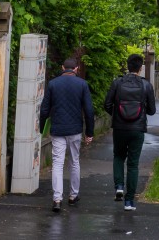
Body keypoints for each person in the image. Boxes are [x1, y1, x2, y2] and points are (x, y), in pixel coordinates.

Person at [39, 57, 94, 213]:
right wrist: (89, 132)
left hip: (57, 130)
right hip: (75, 130)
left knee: (57, 163)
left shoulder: (53, 84)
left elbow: (44, 109)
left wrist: (41, 129)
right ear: (76, 69)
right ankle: (73, 196)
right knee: (74, 161)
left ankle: (57, 199)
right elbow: (89, 110)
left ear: (63, 68)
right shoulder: (82, 84)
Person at [104, 53, 156, 212]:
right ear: (141, 68)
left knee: (118, 156)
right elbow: (152, 111)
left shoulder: (117, 83)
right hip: (137, 129)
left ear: (127, 66)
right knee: (133, 164)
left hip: (119, 128)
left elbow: (107, 104)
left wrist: (117, 114)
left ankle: (119, 185)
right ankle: (129, 201)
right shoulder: (146, 85)